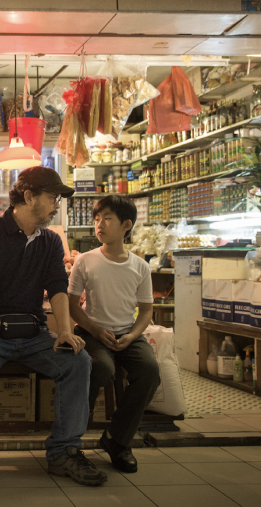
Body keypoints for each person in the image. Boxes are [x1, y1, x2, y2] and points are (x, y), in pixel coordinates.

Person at [0, 166, 107, 489]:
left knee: (77, 362)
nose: (56, 205)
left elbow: (57, 289)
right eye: (52, 197)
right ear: (28, 196)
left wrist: (64, 331)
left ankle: (65, 451)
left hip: (33, 333)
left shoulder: (50, 241)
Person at [68, 195, 160, 474]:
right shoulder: (84, 260)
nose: (99, 225)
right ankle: (71, 440)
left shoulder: (140, 266)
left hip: (127, 334)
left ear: (126, 225)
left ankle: (117, 440)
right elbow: (72, 305)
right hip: (92, 332)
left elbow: (145, 311)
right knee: (101, 368)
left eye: (107, 218)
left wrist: (132, 336)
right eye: (96, 219)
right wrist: (96, 329)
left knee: (149, 371)